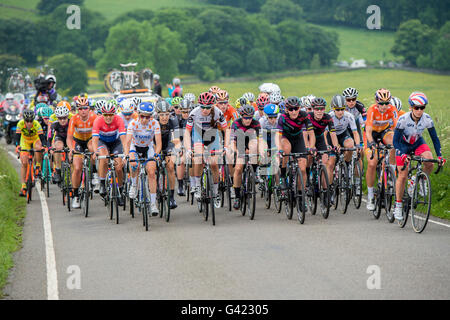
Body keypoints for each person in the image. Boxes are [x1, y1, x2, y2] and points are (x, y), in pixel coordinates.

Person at [393, 92, 446, 220]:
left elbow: (435, 139)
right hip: (403, 144)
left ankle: (420, 180)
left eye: (422, 107)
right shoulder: (403, 119)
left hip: (417, 142)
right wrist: (403, 154)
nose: (419, 110)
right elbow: (395, 141)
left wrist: (439, 155)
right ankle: (398, 206)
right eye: (416, 107)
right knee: (403, 175)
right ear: (411, 107)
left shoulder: (427, 119)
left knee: (429, 161)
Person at [184, 92, 227, 201]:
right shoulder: (194, 113)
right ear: (199, 105)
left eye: (208, 107)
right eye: (202, 107)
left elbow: (227, 130)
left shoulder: (218, 112)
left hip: (212, 136)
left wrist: (226, 146)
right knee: (198, 158)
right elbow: (187, 132)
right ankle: (198, 186)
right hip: (199, 135)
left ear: (212, 105)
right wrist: (188, 149)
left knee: (214, 164)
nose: (205, 110)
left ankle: (216, 192)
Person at [125, 102, 162, 216]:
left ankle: (153, 204)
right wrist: (128, 155)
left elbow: (158, 143)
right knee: (133, 164)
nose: (145, 119)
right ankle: (134, 185)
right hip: (134, 147)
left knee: (151, 172)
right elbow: (127, 142)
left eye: (148, 116)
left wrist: (156, 154)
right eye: (142, 116)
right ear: (138, 114)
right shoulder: (133, 123)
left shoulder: (155, 123)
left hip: (148, 147)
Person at [364, 88, 398, 211]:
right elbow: (368, 130)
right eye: (381, 103)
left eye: (387, 103)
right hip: (371, 134)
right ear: (376, 102)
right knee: (372, 163)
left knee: (395, 143)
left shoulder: (392, 110)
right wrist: (372, 143)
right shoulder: (372, 110)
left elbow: (397, 127)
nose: (384, 106)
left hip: (384, 132)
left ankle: (391, 170)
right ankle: (370, 195)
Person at [92, 100, 127, 205]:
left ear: (114, 114)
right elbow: (94, 139)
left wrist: (126, 153)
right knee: (103, 157)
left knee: (119, 167)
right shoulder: (98, 121)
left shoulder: (119, 120)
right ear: (102, 114)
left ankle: (120, 190)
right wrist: (95, 151)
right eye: (106, 115)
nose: (108, 117)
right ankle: (102, 183)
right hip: (102, 142)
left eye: (110, 115)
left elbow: (123, 139)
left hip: (116, 142)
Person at [276, 96, 314, 190]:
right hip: (286, 138)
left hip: (298, 139)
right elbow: (278, 136)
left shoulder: (304, 115)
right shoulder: (282, 118)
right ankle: (283, 175)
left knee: (302, 168)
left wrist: (311, 147)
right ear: (286, 110)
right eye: (291, 109)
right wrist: (280, 149)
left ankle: (301, 193)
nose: (293, 112)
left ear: (299, 108)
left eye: (296, 108)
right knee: (286, 149)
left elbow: (311, 133)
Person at [229, 104, 262, 209]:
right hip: (239, 143)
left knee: (255, 145)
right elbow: (232, 142)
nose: (248, 120)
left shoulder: (256, 123)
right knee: (238, 168)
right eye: (245, 118)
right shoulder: (236, 124)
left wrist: (261, 152)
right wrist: (236, 152)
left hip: (251, 142)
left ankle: (254, 171)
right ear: (241, 116)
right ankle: (237, 197)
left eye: (250, 118)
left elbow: (260, 140)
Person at [67, 97, 98, 207]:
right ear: (77, 110)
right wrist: (71, 149)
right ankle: (75, 195)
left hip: (90, 140)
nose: (83, 111)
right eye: (80, 108)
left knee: (92, 148)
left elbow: (97, 135)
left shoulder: (94, 117)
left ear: (89, 108)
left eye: (85, 108)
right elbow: (69, 137)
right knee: (77, 168)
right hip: (78, 142)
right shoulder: (74, 119)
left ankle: (94, 174)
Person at [155, 99, 181, 209]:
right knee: (153, 167)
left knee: (170, 167)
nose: (164, 117)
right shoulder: (153, 121)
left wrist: (177, 149)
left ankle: (171, 197)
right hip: (155, 143)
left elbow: (176, 138)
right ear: (157, 114)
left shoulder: (173, 120)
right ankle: (155, 188)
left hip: (169, 143)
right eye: (162, 115)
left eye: (166, 114)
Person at [307, 97, 339, 184]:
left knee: (325, 160)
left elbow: (332, 133)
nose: (319, 111)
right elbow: (305, 134)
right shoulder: (308, 116)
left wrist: (336, 146)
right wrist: (309, 147)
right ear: (313, 109)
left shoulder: (327, 117)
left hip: (320, 139)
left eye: (322, 108)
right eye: (317, 109)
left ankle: (324, 190)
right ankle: (306, 175)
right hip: (309, 138)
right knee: (309, 156)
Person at [15, 109, 46, 196]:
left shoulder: (36, 124)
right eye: (27, 121)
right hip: (25, 141)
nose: (29, 123)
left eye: (31, 121)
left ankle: (38, 166)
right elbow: (17, 137)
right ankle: (23, 186)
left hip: (35, 140)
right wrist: (17, 146)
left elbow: (42, 137)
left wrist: (44, 146)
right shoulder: (20, 124)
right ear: (24, 120)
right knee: (24, 163)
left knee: (38, 148)